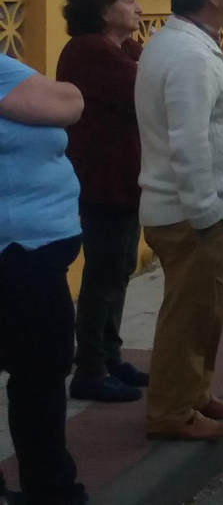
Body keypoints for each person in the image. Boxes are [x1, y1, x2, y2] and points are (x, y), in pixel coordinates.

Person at [135, 0, 223, 441]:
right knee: (187, 316)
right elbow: (189, 141)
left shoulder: (190, 45)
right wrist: (206, 212)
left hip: (202, 213)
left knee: (206, 309)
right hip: (191, 214)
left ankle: (195, 394)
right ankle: (170, 411)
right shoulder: (187, 55)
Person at [57, 0, 149, 404]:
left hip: (126, 180)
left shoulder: (122, 47)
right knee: (104, 274)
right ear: (103, 9)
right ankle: (90, 367)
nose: (138, 8)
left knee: (120, 269)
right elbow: (148, 90)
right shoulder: (89, 51)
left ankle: (109, 356)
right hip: (103, 181)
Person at [0, 52, 87, 505]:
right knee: (40, 372)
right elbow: (68, 102)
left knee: (38, 371)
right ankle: (50, 490)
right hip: (18, 253)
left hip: (28, 251)